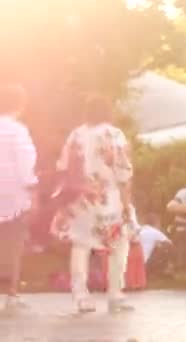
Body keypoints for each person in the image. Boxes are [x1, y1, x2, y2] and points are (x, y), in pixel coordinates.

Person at [49, 94, 134, 314]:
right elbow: (123, 170)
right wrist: (127, 203)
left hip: (80, 199)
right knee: (118, 244)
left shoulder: (75, 134)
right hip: (108, 198)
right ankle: (115, 293)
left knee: (81, 245)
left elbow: (62, 166)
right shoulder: (114, 134)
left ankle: (80, 296)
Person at [0, 84, 37, 312]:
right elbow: (26, 165)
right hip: (13, 196)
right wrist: (33, 189)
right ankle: (10, 295)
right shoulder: (18, 130)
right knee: (12, 246)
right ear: (20, 105)